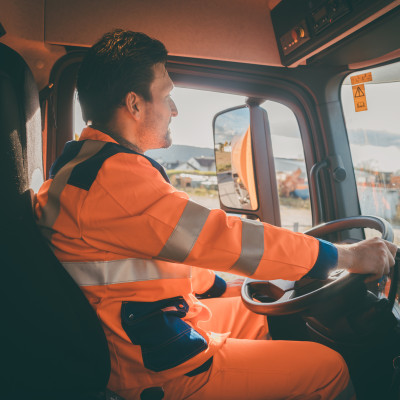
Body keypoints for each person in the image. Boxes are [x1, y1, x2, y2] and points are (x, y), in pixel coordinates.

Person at [34, 29, 397, 400]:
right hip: (153, 365)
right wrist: (346, 256)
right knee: (329, 368)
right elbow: (224, 237)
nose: (174, 109)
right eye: (167, 95)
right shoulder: (115, 179)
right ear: (134, 104)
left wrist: (225, 286)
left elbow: (164, 250)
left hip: (137, 331)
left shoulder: (82, 168)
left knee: (264, 314)